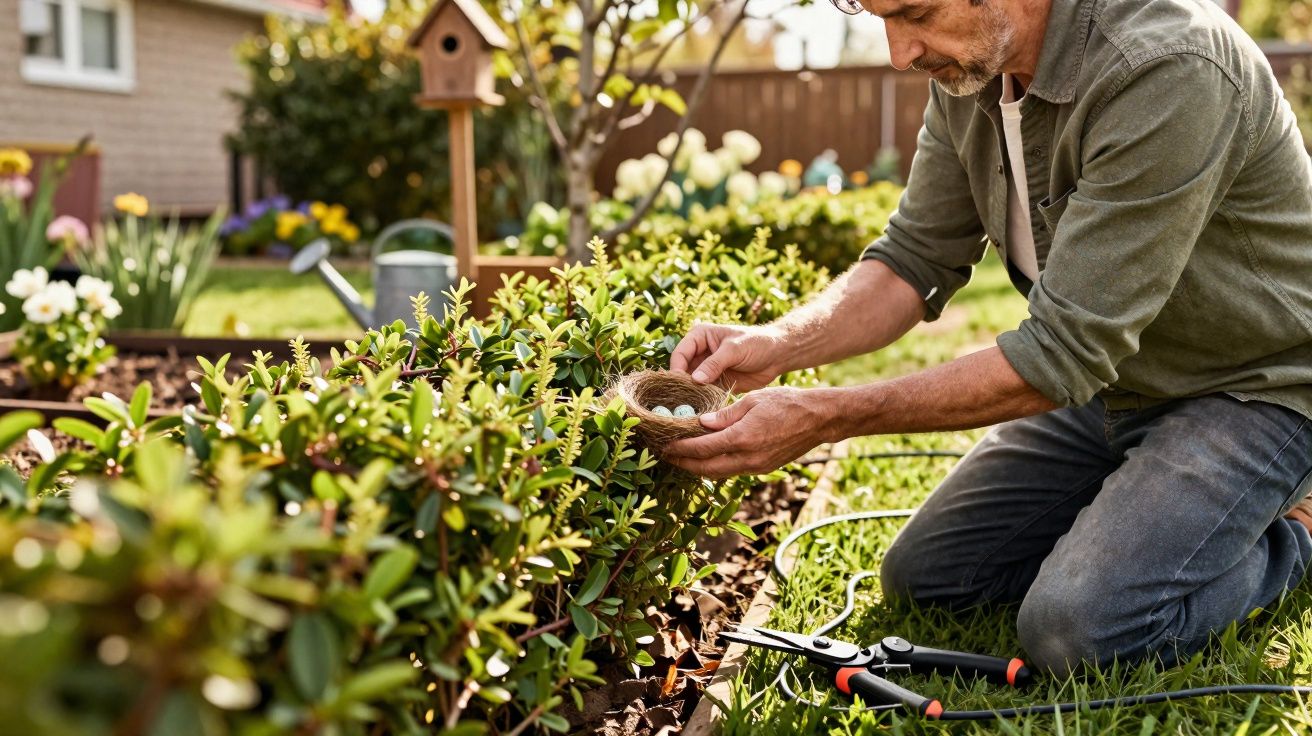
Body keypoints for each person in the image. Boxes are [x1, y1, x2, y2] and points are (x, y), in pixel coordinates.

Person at [665, 0, 1312, 675]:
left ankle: (1296, 534)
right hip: (1118, 381)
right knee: (930, 577)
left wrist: (827, 415)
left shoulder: (1166, 67)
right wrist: (776, 343)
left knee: (1079, 628)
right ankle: (1161, 502)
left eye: (915, 13)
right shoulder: (972, 74)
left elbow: (1060, 353)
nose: (898, 53)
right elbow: (913, 259)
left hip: (1255, 386)